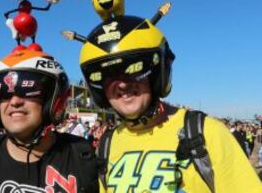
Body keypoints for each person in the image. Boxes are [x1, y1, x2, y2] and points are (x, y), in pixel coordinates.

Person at [79, 15, 262, 192]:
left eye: (134, 68)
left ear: (158, 74)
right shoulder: (107, 144)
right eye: (107, 75)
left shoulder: (205, 133)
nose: (122, 83)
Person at [0, 49, 99, 192]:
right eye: (3, 93)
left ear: (53, 100)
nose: (15, 102)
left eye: (27, 89)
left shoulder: (82, 156)